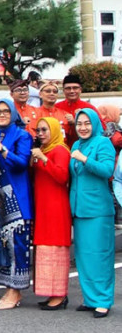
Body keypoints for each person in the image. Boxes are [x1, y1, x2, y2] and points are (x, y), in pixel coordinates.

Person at [0, 99, 33, 310]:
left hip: (17, 199)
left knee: (16, 245)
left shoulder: (23, 135)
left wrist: (2, 149)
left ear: (13, 113)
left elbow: (22, 163)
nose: (2, 114)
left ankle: (16, 291)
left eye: (6, 111)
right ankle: (7, 289)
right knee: (0, 244)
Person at [75, 109, 116, 318]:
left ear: (94, 124)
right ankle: (90, 298)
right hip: (80, 210)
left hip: (98, 210)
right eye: (79, 123)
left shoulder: (103, 143)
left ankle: (103, 300)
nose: (82, 127)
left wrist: (84, 159)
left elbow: (107, 171)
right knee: (84, 257)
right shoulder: (76, 144)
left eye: (86, 123)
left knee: (100, 256)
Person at [30, 118, 71, 311]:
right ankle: (51, 292)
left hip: (56, 207)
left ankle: (60, 294)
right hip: (44, 205)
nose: (41, 133)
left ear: (54, 130)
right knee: (45, 250)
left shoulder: (60, 150)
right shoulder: (43, 151)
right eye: (38, 130)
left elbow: (62, 176)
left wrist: (44, 160)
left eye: (45, 130)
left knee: (55, 249)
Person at [56, 74, 103, 146]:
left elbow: (101, 128)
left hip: (85, 147)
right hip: (61, 148)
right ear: (63, 91)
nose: (72, 91)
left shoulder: (89, 108)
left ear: (80, 90)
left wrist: (77, 122)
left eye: (75, 88)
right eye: (68, 88)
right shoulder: (56, 107)